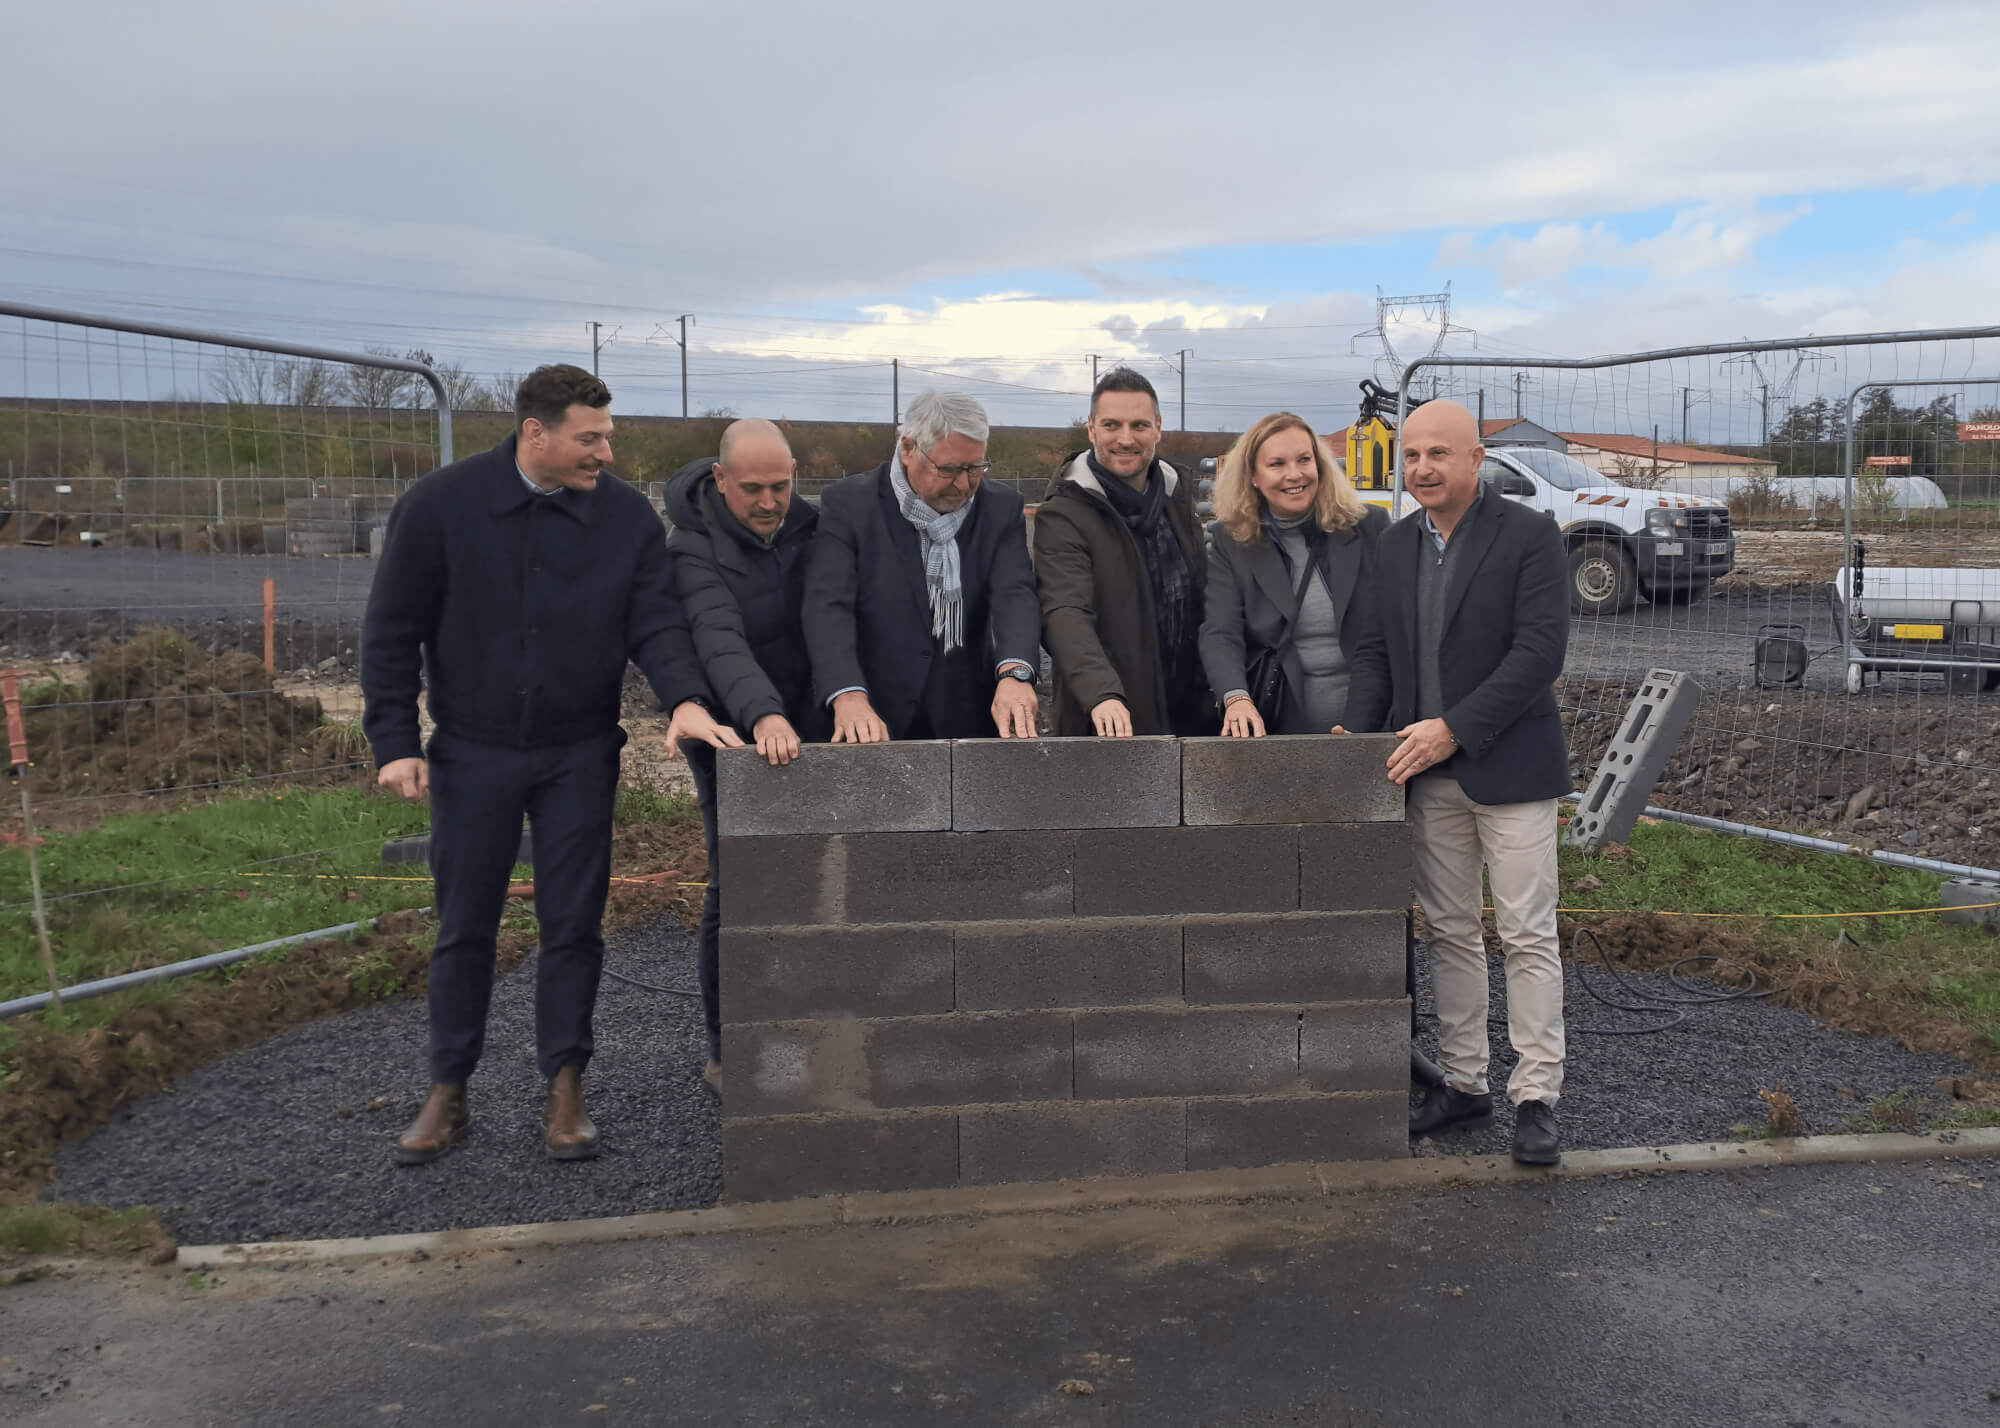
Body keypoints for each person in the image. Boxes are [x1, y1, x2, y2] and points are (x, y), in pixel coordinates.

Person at [362, 364, 739, 1166]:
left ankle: (565, 1084)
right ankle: (447, 1089)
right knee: (465, 927)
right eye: (590, 436)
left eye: (607, 435)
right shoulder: (439, 508)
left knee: (573, 924)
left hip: (578, 753)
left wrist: (685, 700)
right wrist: (394, 741)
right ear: (535, 433)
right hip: (471, 753)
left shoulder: (623, 523)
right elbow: (390, 632)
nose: (606, 451)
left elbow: (658, 626)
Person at [1343, 399, 1571, 1166]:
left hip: (1510, 769)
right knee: (1449, 932)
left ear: (1478, 459)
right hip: (1427, 772)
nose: (1423, 469)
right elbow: (1375, 650)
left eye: (1439, 453)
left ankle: (1537, 1095)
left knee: (1527, 934)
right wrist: (1362, 732)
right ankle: (1465, 1084)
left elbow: (1538, 654)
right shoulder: (1396, 543)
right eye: (1411, 456)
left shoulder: (1531, 537)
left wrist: (1454, 728)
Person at [663, 419, 827, 1090]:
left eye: (781, 487)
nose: (768, 502)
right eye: (753, 488)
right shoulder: (691, 545)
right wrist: (763, 716)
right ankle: (726, 1048)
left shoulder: (813, 530)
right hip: (728, 732)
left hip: (808, 725)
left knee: (819, 877)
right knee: (738, 884)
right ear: (720, 479)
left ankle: (812, 1028)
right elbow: (717, 636)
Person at [802, 390, 1041, 741]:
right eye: (948, 469)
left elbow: (1015, 594)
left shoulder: (1000, 508)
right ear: (908, 448)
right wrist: (847, 692)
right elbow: (828, 606)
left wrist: (1015, 673)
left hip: (966, 713)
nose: (963, 485)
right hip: (870, 713)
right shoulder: (850, 505)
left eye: (974, 468)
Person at [1033, 367, 1213, 736]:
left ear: (1158, 429)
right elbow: (1065, 612)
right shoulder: (1063, 513)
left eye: (1139, 425)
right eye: (1112, 425)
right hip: (1112, 720)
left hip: (1189, 714)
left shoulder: (1176, 495)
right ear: (1091, 429)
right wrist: (1102, 694)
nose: (1126, 439)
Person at [1199, 411, 1387, 737]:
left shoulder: (1371, 527)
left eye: (1304, 460)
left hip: (1373, 724)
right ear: (1253, 477)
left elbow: (1394, 631)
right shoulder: (1232, 542)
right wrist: (1236, 698)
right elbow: (1220, 631)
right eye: (1277, 464)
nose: (1294, 474)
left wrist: (1362, 725)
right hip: (1281, 728)